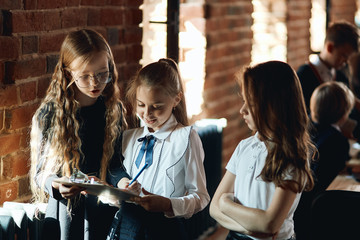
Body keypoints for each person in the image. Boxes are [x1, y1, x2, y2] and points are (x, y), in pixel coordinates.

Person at [29, 29, 133, 240]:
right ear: (68, 74)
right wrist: (56, 184)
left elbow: (115, 165)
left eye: (102, 74)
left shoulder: (114, 110)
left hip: (103, 210)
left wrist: (125, 184)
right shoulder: (51, 113)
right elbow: (40, 174)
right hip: (65, 215)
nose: (95, 83)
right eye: (84, 76)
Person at [209, 61, 315, 240]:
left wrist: (226, 204)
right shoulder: (244, 146)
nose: (242, 110)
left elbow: (269, 223)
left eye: (250, 103)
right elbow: (213, 208)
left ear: (273, 105)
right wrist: (250, 230)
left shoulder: (292, 156)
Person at [106, 58, 210, 240]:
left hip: (165, 231)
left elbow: (200, 198)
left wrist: (167, 204)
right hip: (127, 228)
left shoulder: (186, 138)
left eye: (157, 107)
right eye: (141, 105)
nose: (147, 114)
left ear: (176, 98)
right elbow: (115, 176)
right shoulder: (128, 138)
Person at [294, 81, 354, 240]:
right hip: (318, 210)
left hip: (297, 206)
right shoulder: (338, 141)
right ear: (344, 113)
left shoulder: (304, 130)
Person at [297, 21, 360, 140]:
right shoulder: (304, 75)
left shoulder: (340, 75)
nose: (346, 62)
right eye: (344, 55)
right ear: (330, 47)